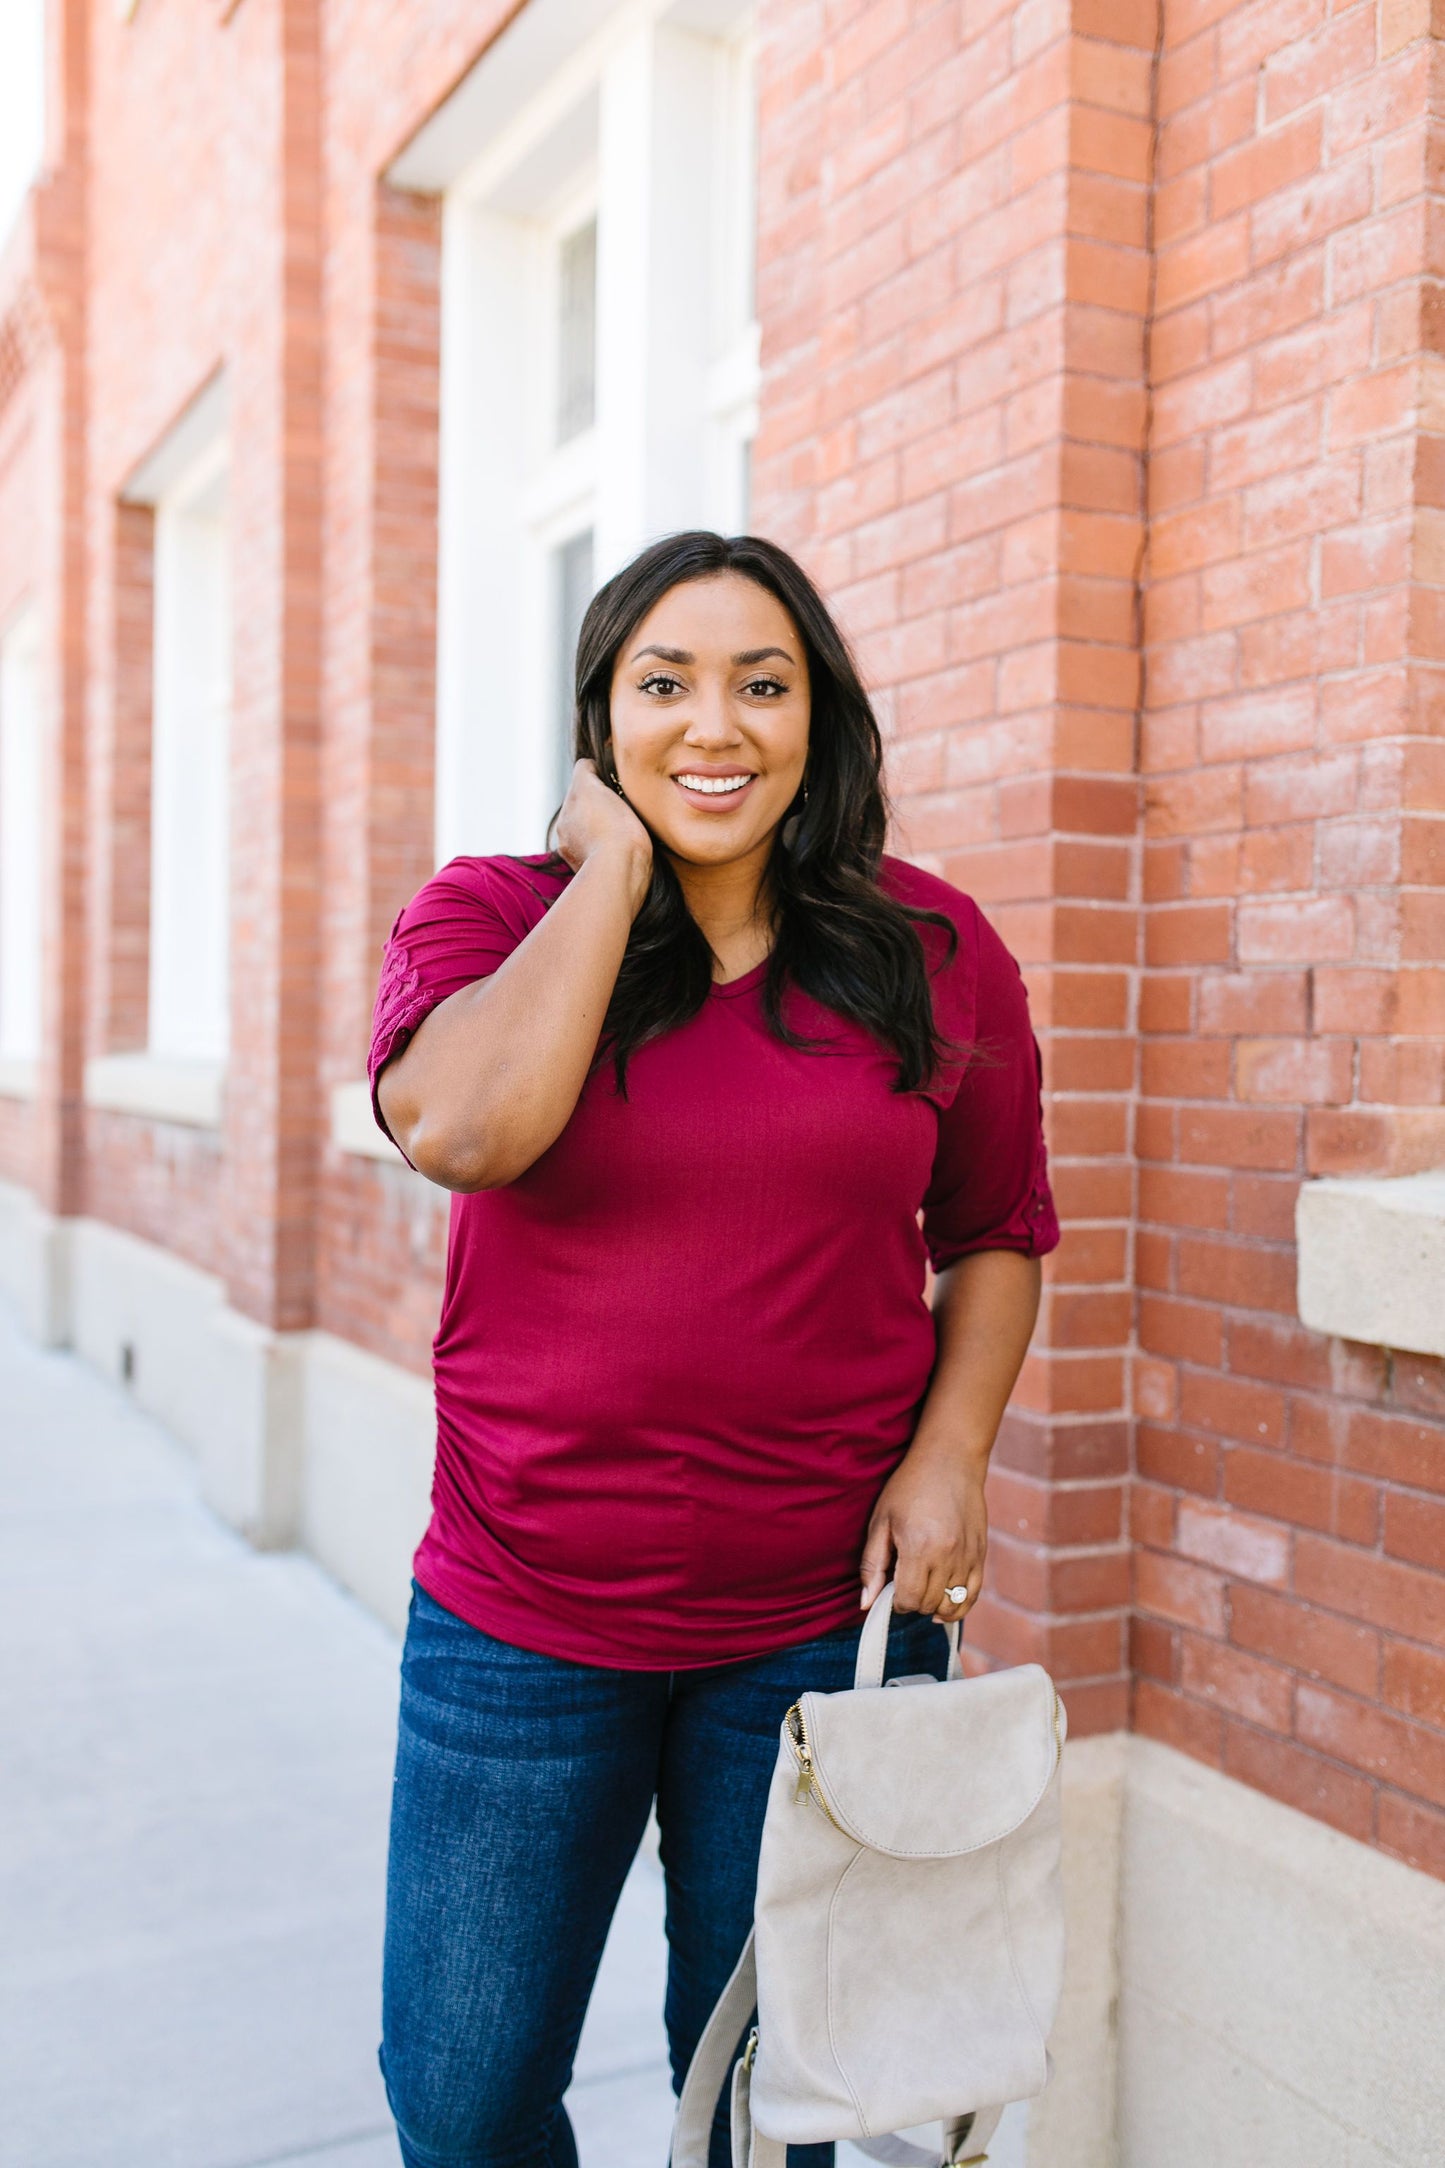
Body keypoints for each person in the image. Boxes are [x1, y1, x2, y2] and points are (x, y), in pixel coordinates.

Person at [368, 531, 1059, 2168]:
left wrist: (951, 1455)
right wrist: (610, 874)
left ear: (819, 718)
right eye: (663, 684)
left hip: (811, 1634)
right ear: (600, 721)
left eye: (764, 683)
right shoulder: (489, 919)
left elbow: (995, 1233)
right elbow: (463, 1128)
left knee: (760, 2104)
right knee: (461, 2102)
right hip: (518, 1624)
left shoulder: (930, 952)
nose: (716, 725)